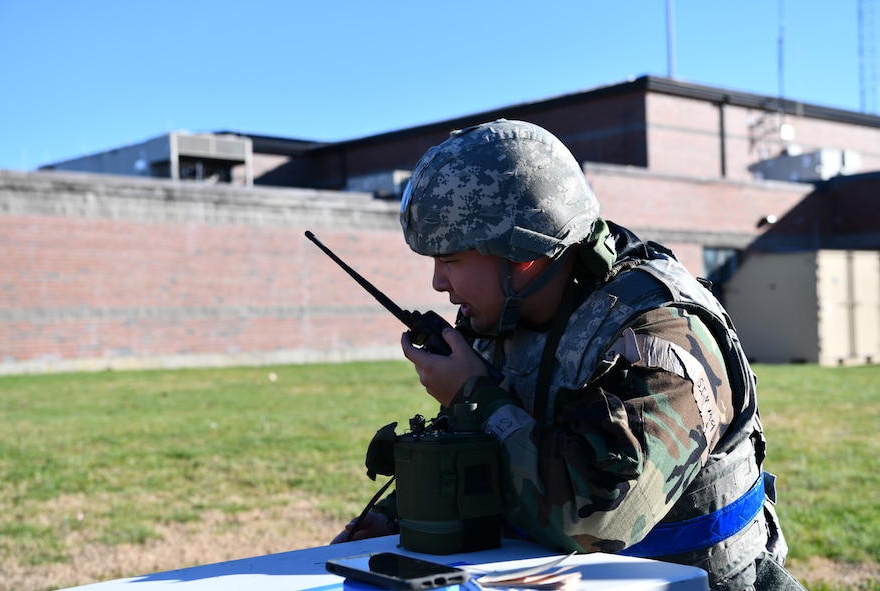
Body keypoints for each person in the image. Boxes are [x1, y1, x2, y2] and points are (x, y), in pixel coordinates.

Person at [333, 119, 805, 591]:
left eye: (451, 260)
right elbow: (485, 460)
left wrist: (473, 394)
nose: (438, 283)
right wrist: (394, 518)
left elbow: (595, 519)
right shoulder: (495, 322)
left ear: (525, 252)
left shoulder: (661, 334)